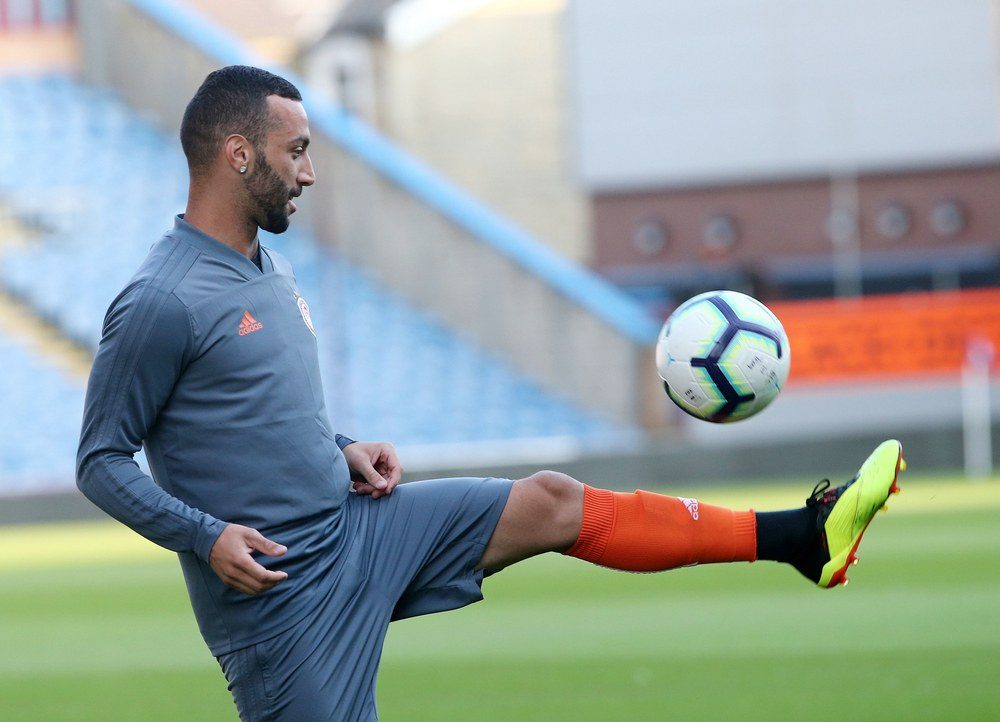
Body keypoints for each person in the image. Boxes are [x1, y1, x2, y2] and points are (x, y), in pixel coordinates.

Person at [76, 66, 904, 722]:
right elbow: (100, 461)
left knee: (552, 502)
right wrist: (207, 537)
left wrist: (342, 448)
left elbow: (256, 412)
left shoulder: (270, 266)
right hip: (281, 598)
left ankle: (801, 537)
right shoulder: (161, 300)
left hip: (359, 530)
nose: (310, 172)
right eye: (295, 151)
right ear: (238, 155)